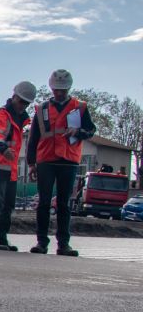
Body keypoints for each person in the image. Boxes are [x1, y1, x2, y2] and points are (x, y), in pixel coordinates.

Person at [27, 69, 96, 256]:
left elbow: (90, 130)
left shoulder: (79, 107)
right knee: (43, 202)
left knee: (64, 204)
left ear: (68, 88)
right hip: (46, 160)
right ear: (51, 88)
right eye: (56, 89)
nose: (59, 93)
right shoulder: (41, 109)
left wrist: (78, 132)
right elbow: (33, 138)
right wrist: (31, 163)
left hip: (68, 160)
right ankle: (41, 242)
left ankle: (63, 244)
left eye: (62, 90)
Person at [0, 80, 35, 251]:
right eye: (21, 101)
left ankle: (1, 237)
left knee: (8, 204)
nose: (23, 106)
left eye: (26, 103)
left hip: (9, 167)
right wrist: (3, 148)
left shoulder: (19, 119)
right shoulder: (1, 114)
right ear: (14, 97)